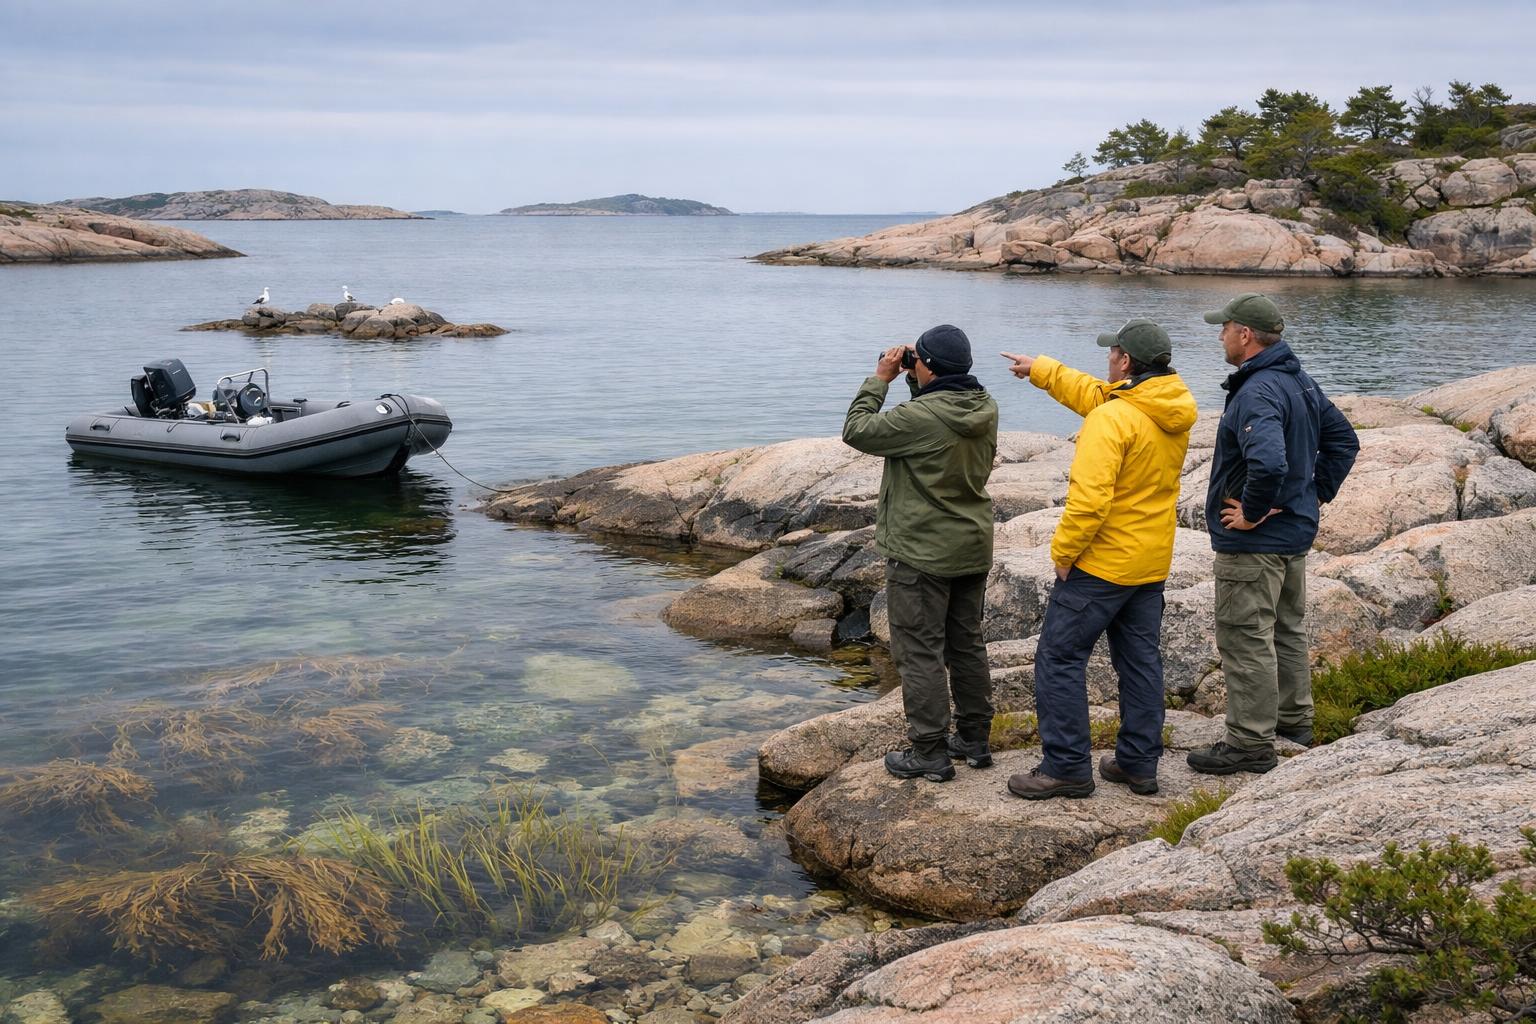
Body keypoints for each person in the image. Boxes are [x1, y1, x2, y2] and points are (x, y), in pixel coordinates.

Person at [1000, 319, 1197, 799]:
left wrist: (1064, 552)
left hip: (1102, 565)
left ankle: (1066, 767)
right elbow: (1098, 395)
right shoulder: (1167, 406)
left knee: (1058, 659)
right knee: (1140, 663)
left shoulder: (1112, 419)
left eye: (1113, 353)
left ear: (1125, 362)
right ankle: (1138, 764)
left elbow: (1090, 501)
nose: (1108, 358)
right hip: (1149, 562)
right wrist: (1042, 369)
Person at [1186, 293, 1360, 776]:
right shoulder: (1298, 380)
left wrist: (1254, 512)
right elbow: (1344, 441)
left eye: (1224, 328)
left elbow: (1268, 461)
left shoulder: (1257, 390)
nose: (1220, 336)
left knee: (1246, 638)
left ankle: (1249, 742)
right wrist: (1311, 495)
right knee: (1286, 631)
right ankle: (1293, 723)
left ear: (1245, 335)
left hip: (1254, 545)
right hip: (1292, 537)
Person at [843, 324, 999, 783]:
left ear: (929, 367)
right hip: (970, 545)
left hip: (922, 552)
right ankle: (974, 738)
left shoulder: (921, 418)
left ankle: (929, 751)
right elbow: (932, 412)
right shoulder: (984, 405)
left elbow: (857, 430)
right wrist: (919, 375)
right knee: (965, 643)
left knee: (919, 651)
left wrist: (881, 379)